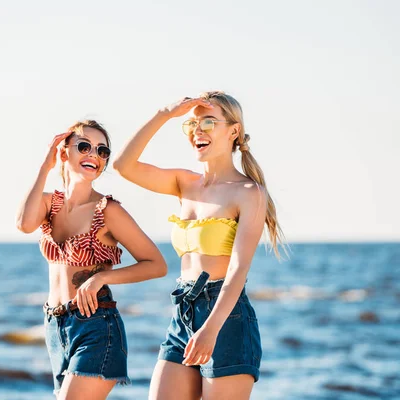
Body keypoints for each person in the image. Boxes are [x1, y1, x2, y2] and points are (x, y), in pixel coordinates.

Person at [113, 92, 286, 400]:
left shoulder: (249, 193)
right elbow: (124, 165)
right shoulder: (184, 183)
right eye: (192, 123)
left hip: (226, 316)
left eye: (209, 121)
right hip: (183, 311)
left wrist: (211, 328)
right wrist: (164, 114)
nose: (198, 130)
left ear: (233, 131)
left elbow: (238, 269)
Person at [16, 119, 167, 399]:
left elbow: (157, 264)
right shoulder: (50, 203)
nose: (93, 156)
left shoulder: (108, 210)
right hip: (55, 327)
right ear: (64, 153)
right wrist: (44, 167)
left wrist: (102, 277)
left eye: (102, 151)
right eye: (84, 146)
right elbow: (25, 224)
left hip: (96, 326)